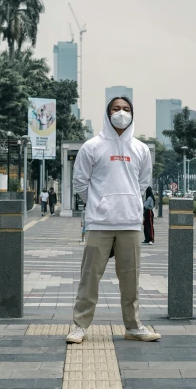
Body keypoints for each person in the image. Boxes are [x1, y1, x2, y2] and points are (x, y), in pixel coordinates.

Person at [67, 96, 161, 344]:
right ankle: (79, 326)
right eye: (116, 109)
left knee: (131, 281)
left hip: (130, 223)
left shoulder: (140, 149)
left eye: (126, 109)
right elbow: (80, 182)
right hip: (99, 224)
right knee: (89, 279)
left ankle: (133, 326)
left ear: (133, 113)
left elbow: (143, 184)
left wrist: (129, 204)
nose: (121, 113)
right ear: (108, 114)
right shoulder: (92, 146)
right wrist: (98, 204)